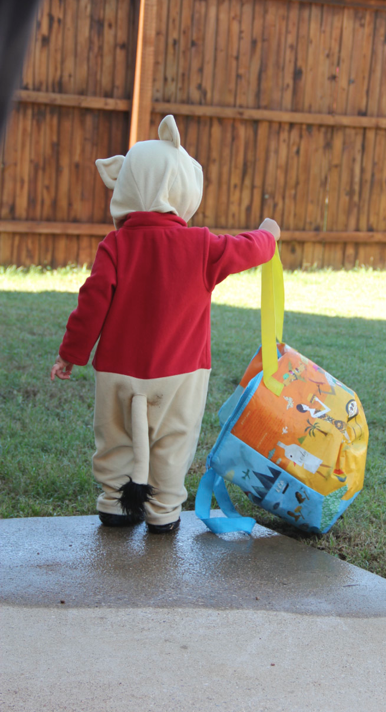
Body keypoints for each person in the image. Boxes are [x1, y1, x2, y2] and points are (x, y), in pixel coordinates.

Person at [51, 114, 280, 534]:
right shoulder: (201, 246)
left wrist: (72, 354)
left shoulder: (116, 245)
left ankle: (115, 505)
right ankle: (163, 511)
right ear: (179, 187)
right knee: (174, 439)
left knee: (116, 437)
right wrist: (268, 234)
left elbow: (93, 299)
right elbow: (247, 249)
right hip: (182, 373)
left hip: (118, 371)